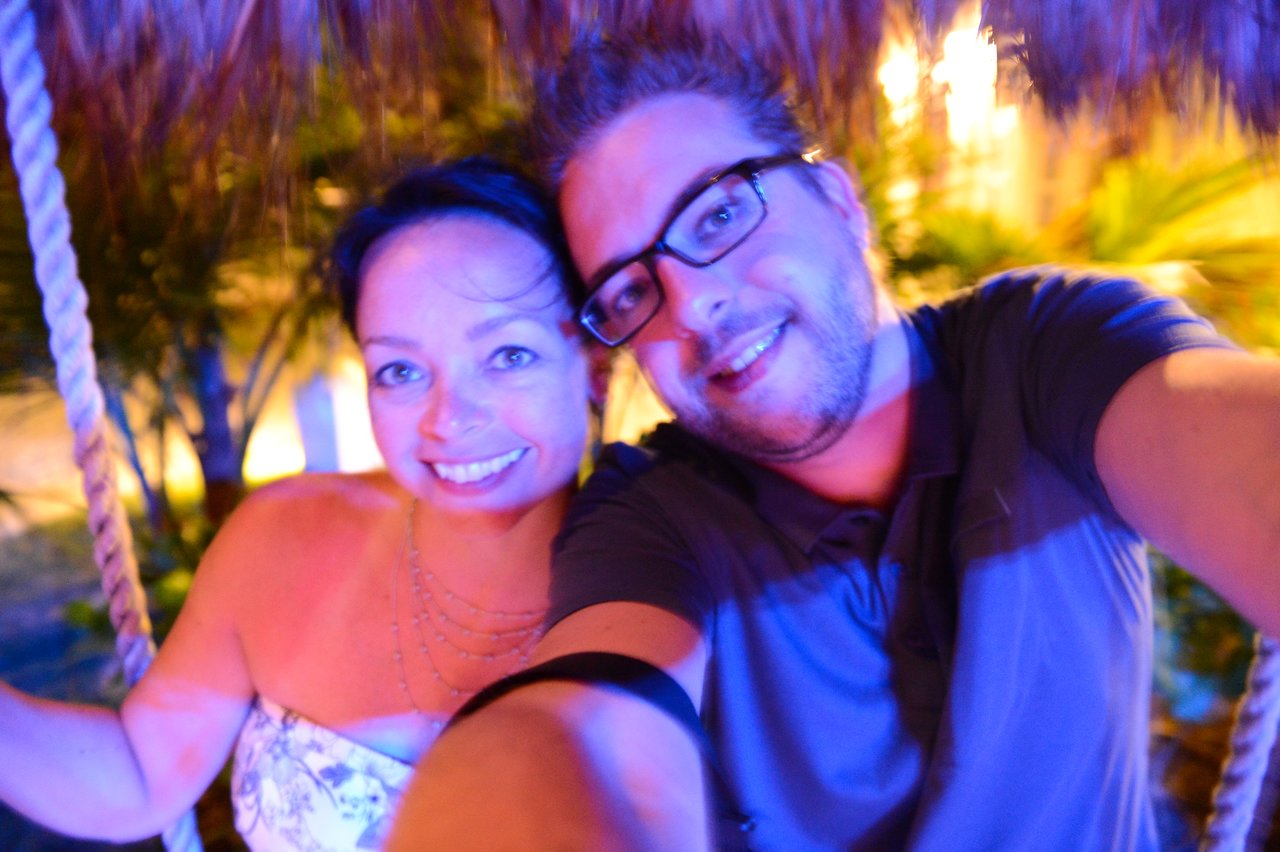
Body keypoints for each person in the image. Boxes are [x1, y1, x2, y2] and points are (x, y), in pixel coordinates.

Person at [388, 31, 1280, 851]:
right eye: (629, 290)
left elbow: (1224, 438)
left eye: (718, 214)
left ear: (839, 199)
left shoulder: (1046, 353)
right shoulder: (651, 515)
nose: (692, 305)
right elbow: (585, 723)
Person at [0, 157, 600, 849]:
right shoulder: (283, 537)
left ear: (596, 362)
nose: (449, 418)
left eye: (507, 356)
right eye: (400, 371)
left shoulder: (665, 584)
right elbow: (140, 773)